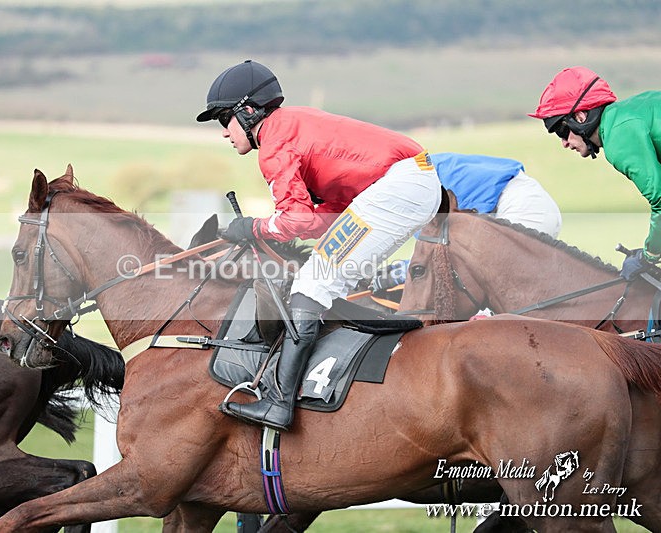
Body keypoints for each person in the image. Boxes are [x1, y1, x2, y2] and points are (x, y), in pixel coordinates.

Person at [196, 59, 442, 431]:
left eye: (224, 120)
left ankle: (279, 403)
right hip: (409, 182)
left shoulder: (274, 144)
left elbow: (295, 221)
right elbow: (317, 221)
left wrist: (254, 227)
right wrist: (262, 230)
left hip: (401, 185)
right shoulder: (289, 125)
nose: (225, 134)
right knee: (322, 276)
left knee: (314, 284)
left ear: (248, 112)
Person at [529, 66, 661, 281]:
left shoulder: (618, 137)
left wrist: (648, 256)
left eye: (562, 131)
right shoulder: (624, 115)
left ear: (581, 117)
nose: (564, 143)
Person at [369, 152, 562, 296]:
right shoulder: (411, 175)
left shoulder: (409, 185)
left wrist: (404, 272)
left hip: (519, 206)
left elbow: (443, 257)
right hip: (523, 203)